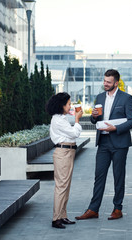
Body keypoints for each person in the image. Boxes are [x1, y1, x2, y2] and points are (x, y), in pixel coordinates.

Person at [75, 69, 132, 221]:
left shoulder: (126, 98)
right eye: (104, 81)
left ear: (116, 83)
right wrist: (94, 117)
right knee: (99, 176)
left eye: (108, 82)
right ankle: (93, 209)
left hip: (119, 143)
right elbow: (95, 120)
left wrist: (115, 128)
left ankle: (117, 209)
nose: (105, 84)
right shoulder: (100, 97)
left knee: (118, 176)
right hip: (103, 142)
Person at [45, 92, 83, 229]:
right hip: (63, 152)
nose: (70, 106)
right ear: (62, 105)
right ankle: (56, 218)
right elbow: (74, 133)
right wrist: (78, 119)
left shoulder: (62, 118)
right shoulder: (58, 120)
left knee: (65, 186)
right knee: (61, 186)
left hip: (68, 152)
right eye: (68, 104)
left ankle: (62, 215)